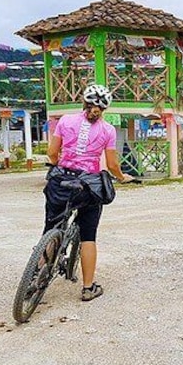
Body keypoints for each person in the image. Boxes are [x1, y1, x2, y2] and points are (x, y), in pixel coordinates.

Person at [45, 84, 134, 301]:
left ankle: (39, 270)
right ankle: (88, 287)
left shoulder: (65, 120)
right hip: (88, 186)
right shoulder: (108, 130)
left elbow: (52, 153)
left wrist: (61, 166)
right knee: (88, 235)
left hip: (60, 181)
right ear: (105, 109)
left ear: (83, 102)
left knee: (51, 226)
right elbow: (112, 165)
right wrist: (122, 177)